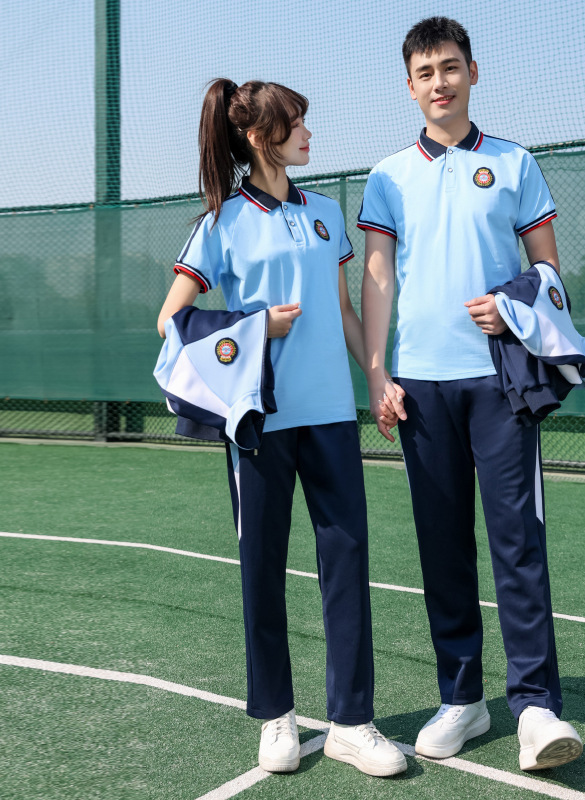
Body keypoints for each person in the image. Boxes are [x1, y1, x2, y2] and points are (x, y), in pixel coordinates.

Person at [157, 78, 406, 778]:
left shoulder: (326, 213)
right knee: (261, 570)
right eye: (296, 123)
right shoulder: (220, 223)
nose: (308, 134)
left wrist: (377, 378)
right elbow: (170, 321)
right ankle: (276, 717)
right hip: (258, 426)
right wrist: (253, 325)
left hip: (331, 418)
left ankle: (353, 722)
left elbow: (345, 311)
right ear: (259, 137)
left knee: (347, 564)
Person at [359, 18, 583, 771]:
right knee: (442, 546)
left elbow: (548, 273)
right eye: (425, 72)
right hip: (420, 387)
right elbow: (378, 276)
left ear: (473, 73)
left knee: (518, 540)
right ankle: (462, 699)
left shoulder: (516, 163)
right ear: (410, 86)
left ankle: (535, 707)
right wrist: (378, 374)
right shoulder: (388, 175)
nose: (440, 82)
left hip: (500, 382)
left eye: (450, 67)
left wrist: (511, 307)